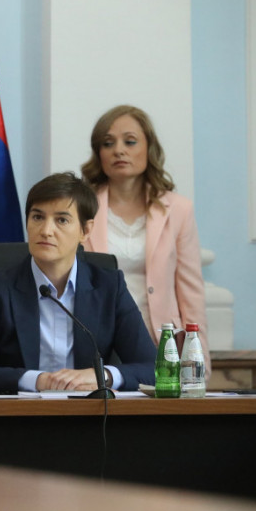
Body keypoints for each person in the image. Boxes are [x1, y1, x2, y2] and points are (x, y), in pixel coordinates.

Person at [0, 172, 156, 394]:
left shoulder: (109, 287)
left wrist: (102, 375)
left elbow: (154, 369)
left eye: (61, 220)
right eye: (37, 217)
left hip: (89, 413)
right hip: (19, 412)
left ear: (85, 230)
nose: (46, 230)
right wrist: (39, 381)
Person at [81, 105, 208, 373]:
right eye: (108, 143)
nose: (119, 150)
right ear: (98, 153)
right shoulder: (80, 207)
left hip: (159, 339)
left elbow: (191, 292)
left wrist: (199, 362)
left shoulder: (179, 209)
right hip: (97, 340)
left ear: (149, 148)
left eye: (130, 141)